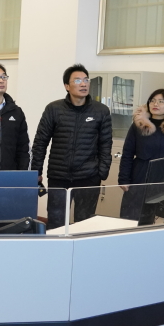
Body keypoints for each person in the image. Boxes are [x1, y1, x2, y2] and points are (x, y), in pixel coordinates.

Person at [31, 64, 112, 230]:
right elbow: (41, 142)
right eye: (77, 80)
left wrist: (102, 172)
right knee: (56, 222)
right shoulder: (54, 109)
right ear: (67, 86)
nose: (83, 84)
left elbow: (106, 143)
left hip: (88, 177)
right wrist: (36, 171)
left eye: (86, 80)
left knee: (85, 222)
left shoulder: (101, 111)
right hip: (58, 176)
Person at [118, 89, 164, 220]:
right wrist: (124, 179)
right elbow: (127, 154)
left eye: (161, 101)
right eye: (152, 101)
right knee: (132, 219)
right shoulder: (138, 125)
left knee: (162, 222)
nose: (155, 104)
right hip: (140, 176)